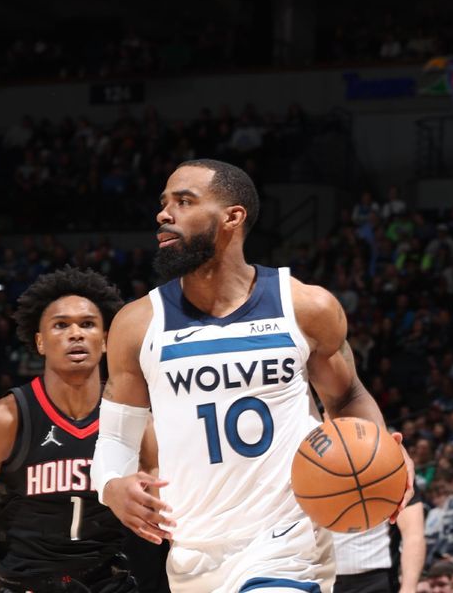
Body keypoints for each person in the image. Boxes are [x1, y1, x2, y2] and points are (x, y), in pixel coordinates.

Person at [90, 159, 414, 593]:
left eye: (184, 202)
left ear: (233, 217)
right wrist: (111, 484)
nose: (164, 214)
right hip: (192, 548)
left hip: (287, 541)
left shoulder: (304, 306)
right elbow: (115, 438)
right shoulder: (137, 323)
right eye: (164, 203)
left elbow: (346, 396)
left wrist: (381, 452)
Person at [0, 267, 139, 593]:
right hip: (27, 584)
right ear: (40, 342)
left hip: (109, 582)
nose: (76, 334)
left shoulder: (132, 417)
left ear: (105, 341)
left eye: (87, 324)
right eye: (61, 325)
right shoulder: (4, 420)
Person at [333, 489, 425, 593]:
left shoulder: (398, 474)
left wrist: (409, 588)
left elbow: (413, 533)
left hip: (375, 578)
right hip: (320, 575)